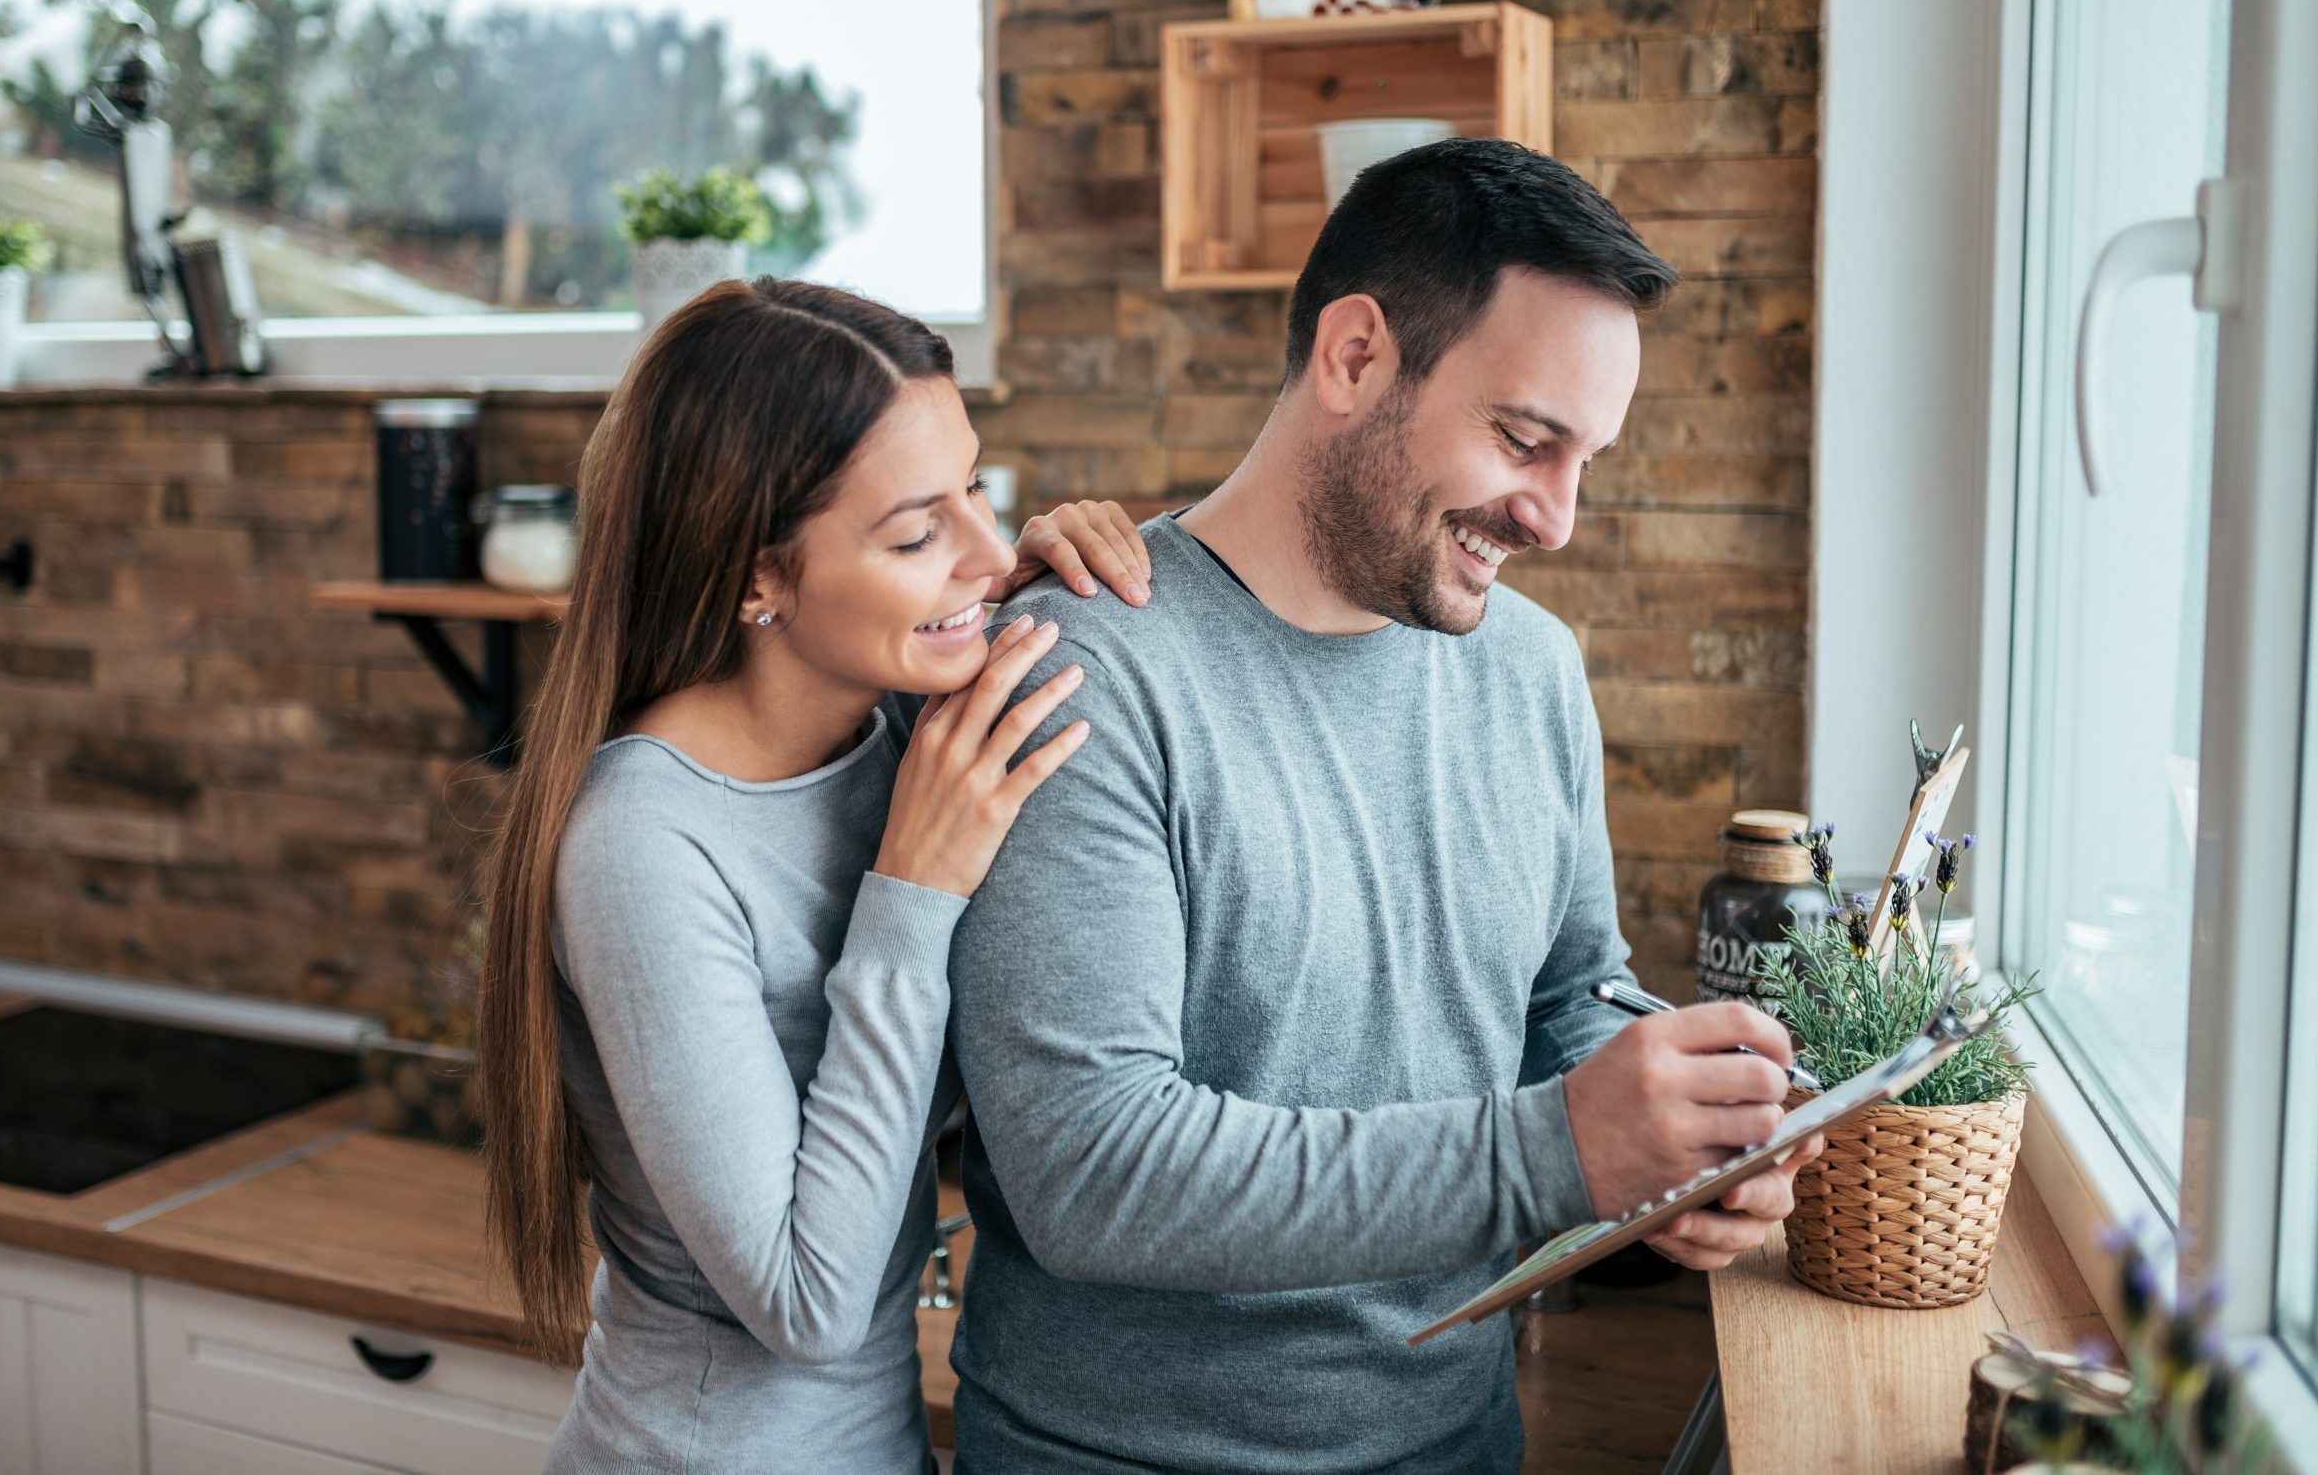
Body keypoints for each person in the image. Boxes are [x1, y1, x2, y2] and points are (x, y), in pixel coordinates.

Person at [947, 139, 1820, 1474]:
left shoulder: (1532, 672)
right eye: (1526, 440)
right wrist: (1559, 1150)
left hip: (1457, 1441)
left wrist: (1678, 1147)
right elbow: (1092, 1168)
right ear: (1355, 357)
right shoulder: (1089, 667)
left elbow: (1566, 1002)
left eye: (1586, 458)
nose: (1557, 518)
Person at [475, 277, 1152, 1474]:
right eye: (915, 532)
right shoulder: (643, 843)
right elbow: (807, 1299)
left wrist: (1074, 568)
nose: (986, 556)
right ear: (759, 576)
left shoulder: (896, 736)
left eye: (978, 490)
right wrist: (911, 895)